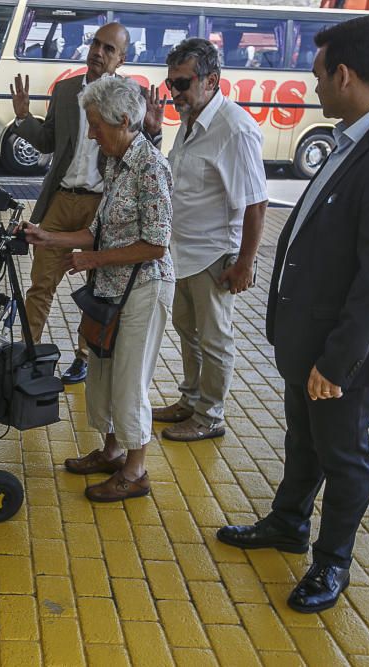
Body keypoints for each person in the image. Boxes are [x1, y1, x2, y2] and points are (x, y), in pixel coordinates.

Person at [217, 16, 369, 614]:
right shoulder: (357, 136)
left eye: (318, 75)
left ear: (344, 73)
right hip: (309, 336)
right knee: (303, 441)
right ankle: (288, 523)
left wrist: (338, 361)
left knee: (343, 456)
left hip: (343, 349)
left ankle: (331, 561)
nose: (313, 88)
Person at [24, 77, 173, 503]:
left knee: (129, 380)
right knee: (102, 375)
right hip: (112, 288)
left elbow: (157, 243)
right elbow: (99, 232)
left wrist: (94, 260)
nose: (90, 134)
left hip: (144, 287)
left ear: (124, 120)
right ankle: (111, 451)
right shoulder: (116, 161)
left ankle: (135, 469)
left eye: (95, 125)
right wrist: (49, 238)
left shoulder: (149, 167)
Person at [142, 38, 268, 442]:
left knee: (215, 339)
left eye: (182, 83)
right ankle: (191, 400)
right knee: (187, 330)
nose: (174, 93)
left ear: (212, 80)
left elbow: (256, 204)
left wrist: (245, 262)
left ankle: (210, 415)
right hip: (182, 251)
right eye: (170, 84)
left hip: (215, 254)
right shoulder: (190, 122)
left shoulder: (234, 128)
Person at [9, 22, 131, 385]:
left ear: (121, 59)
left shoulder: (126, 97)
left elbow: (137, 148)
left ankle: (83, 357)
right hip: (61, 201)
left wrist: (153, 130)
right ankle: (27, 354)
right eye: (96, 44)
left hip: (101, 206)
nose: (99, 52)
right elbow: (47, 141)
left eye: (109, 49)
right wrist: (22, 117)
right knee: (40, 285)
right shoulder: (63, 92)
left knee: (98, 287)